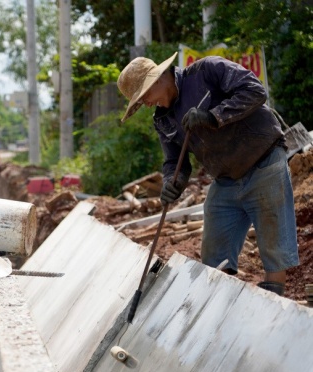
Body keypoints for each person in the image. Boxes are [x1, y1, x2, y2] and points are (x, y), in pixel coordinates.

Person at [118, 53, 299, 296]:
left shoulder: (207, 70)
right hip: (225, 180)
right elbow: (174, 161)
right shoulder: (163, 120)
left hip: (263, 161)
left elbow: (255, 91)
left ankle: (274, 309)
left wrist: (212, 116)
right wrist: (174, 181)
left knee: (274, 250)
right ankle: (219, 307)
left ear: (159, 78)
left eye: (144, 96)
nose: (146, 104)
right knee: (213, 256)